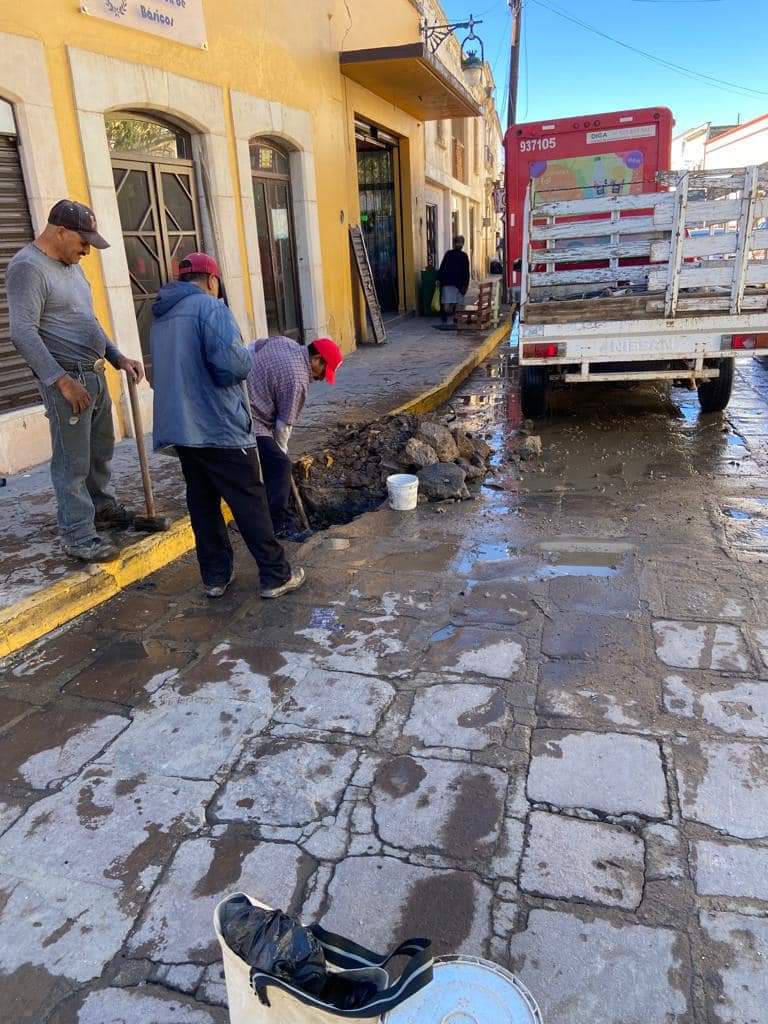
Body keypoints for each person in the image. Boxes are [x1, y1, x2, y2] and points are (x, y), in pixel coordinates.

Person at [149, 252, 304, 600]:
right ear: (212, 281)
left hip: (183, 429)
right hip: (219, 426)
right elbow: (232, 366)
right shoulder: (211, 309)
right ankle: (275, 574)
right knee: (249, 500)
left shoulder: (161, 315)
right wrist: (249, 356)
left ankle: (215, 577)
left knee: (202, 504)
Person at [6, 199, 145, 562]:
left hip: (94, 375)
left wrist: (117, 357)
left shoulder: (72, 268)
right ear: (60, 231)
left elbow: (88, 319)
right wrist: (61, 381)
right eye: (83, 242)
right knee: (72, 463)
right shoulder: (28, 267)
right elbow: (22, 332)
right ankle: (78, 535)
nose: (87, 250)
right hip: (69, 383)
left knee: (100, 453)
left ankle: (102, 509)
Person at [246, 335, 343, 542]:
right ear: (316, 359)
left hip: (242, 404)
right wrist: (281, 452)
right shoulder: (298, 379)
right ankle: (281, 526)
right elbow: (283, 426)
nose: (322, 378)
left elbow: (253, 347)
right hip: (251, 421)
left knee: (272, 464)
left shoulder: (284, 342)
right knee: (280, 466)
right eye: (324, 372)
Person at [436, 235, 470, 329]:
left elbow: (442, 268)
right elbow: (466, 272)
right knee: (458, 303)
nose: (460, 244)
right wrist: (466, 284)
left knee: (446, 303)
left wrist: (439, 279)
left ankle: (445, 319)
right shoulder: (464, 256)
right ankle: (455, 320)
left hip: (448, 283)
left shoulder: (448, 254)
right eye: (459, 242)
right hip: (459, 284)